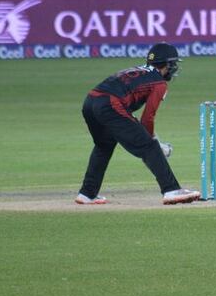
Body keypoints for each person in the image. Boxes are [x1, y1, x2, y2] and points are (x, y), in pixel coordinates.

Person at [76, 43, 202, 206]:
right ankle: (171, 190)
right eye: (173, 64)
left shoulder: (138, 70)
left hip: (90, 102)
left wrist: (149, 137)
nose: (174, 68)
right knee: (149, 147)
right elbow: (147, 118)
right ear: (167, 64)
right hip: (109, 104)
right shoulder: (159, 83)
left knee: (104, 146)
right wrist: (154, 142)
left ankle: (87, 193)